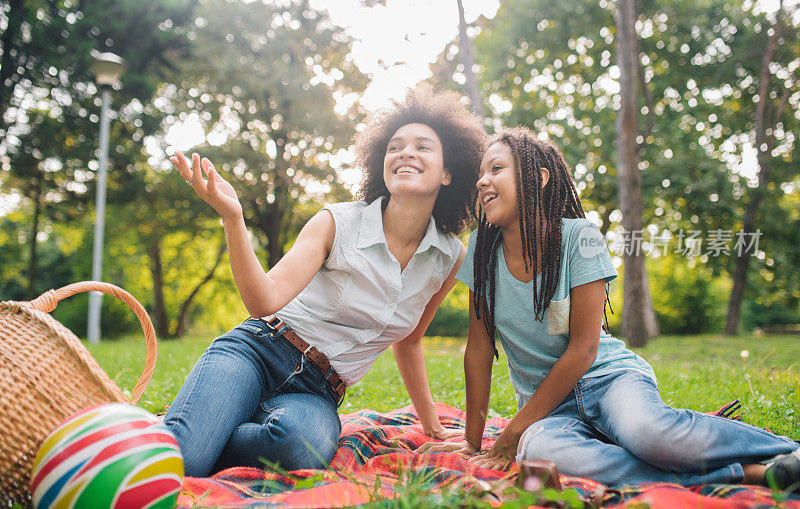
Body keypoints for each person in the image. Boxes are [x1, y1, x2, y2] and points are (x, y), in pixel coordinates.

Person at [420, 126, 800, 491]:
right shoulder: (482, 254)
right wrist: (473, 441)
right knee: (540, 453)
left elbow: (583, 349)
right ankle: (747, 474)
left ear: (538, 178)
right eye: (481, 174)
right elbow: (479, 350)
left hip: (608, 379)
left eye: (497, 169)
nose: (482, 181)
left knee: (648, 434)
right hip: (548, 411)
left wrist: (512, 432)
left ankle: (785, 451)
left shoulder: (579, 237)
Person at [164, 86, 487, 477]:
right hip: (258, 350)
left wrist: (432, 427)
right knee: (182, 462)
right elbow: (263, 300)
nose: (406, 153)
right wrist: (234, 219)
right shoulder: (337, 222)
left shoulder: (450, 256)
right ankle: (192, 432)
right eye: (395, 146)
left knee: (299, 449)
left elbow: (411, 340)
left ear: (449, 172)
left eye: (423, 147)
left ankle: (201, 426)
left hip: (316, 391)